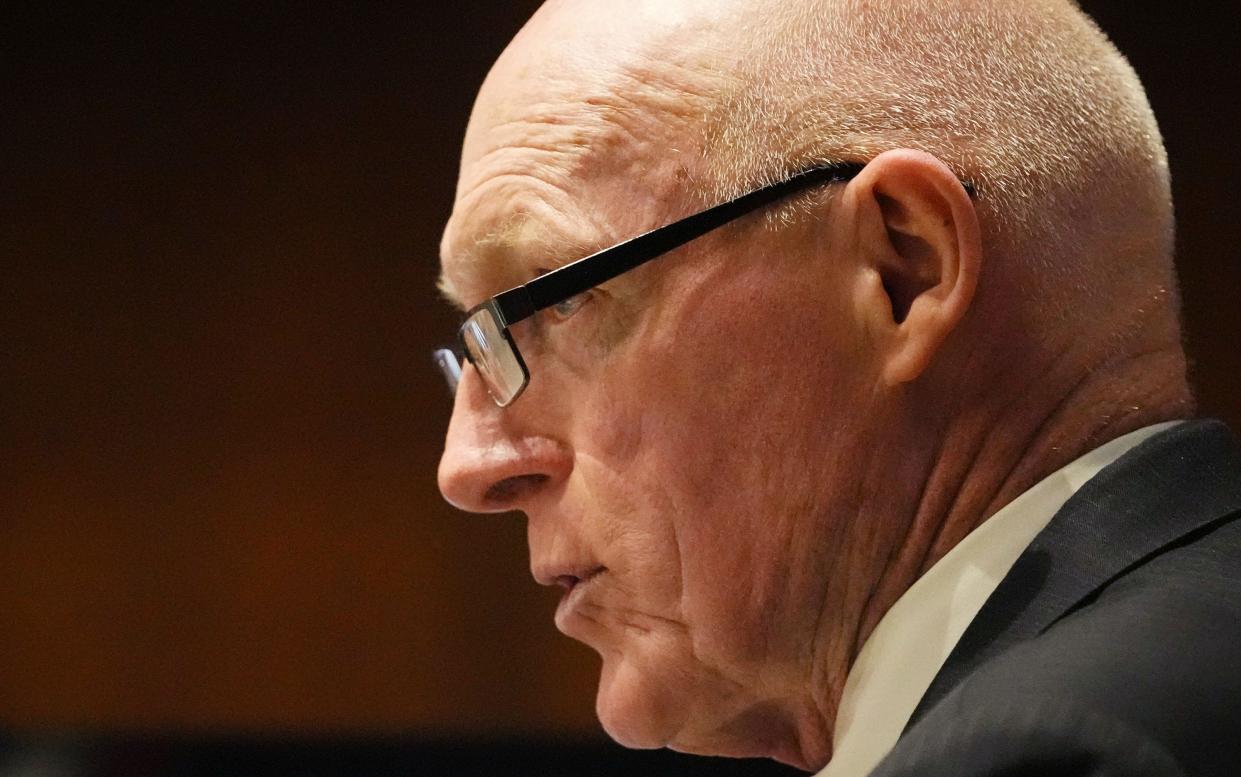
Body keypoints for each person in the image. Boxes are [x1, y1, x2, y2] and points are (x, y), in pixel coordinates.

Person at [433, 1, 1241, 774]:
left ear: (902, 270)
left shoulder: (1054, 750)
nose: (469, 465)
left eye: (558, 299)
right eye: (474, 345)